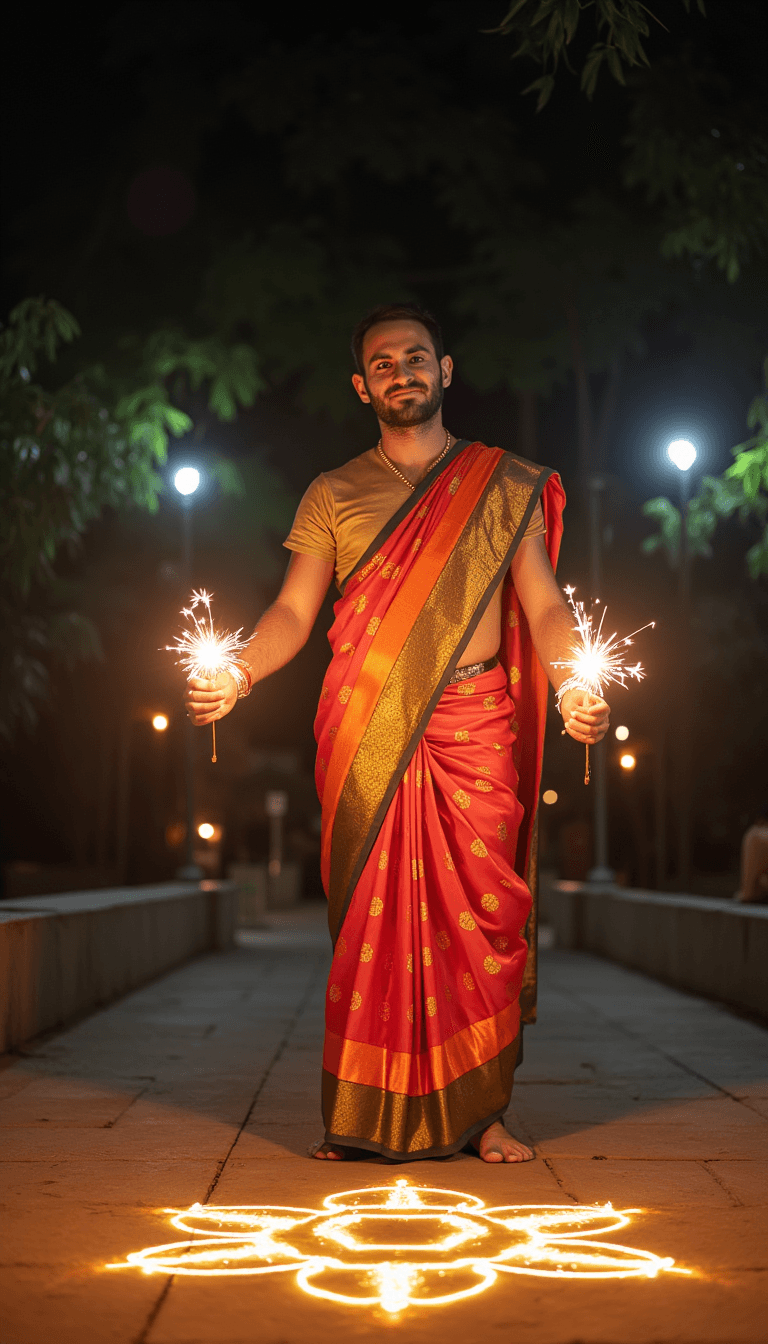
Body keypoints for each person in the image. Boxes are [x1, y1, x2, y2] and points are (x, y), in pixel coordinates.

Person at [185, 303, 610, 1164]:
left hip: (472, 724)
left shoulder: (502, 484)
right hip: (366, 726)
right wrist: (236, 671)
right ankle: (359, 1115)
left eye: (416, 357)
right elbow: (292, 613)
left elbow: (545, 605)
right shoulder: (333, 492)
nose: (401, 372)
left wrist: (573, 684)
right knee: (370, 933)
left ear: (446, 370)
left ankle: (482, 1115)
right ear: (361, 385)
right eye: (382, 364)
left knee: (477, 927)